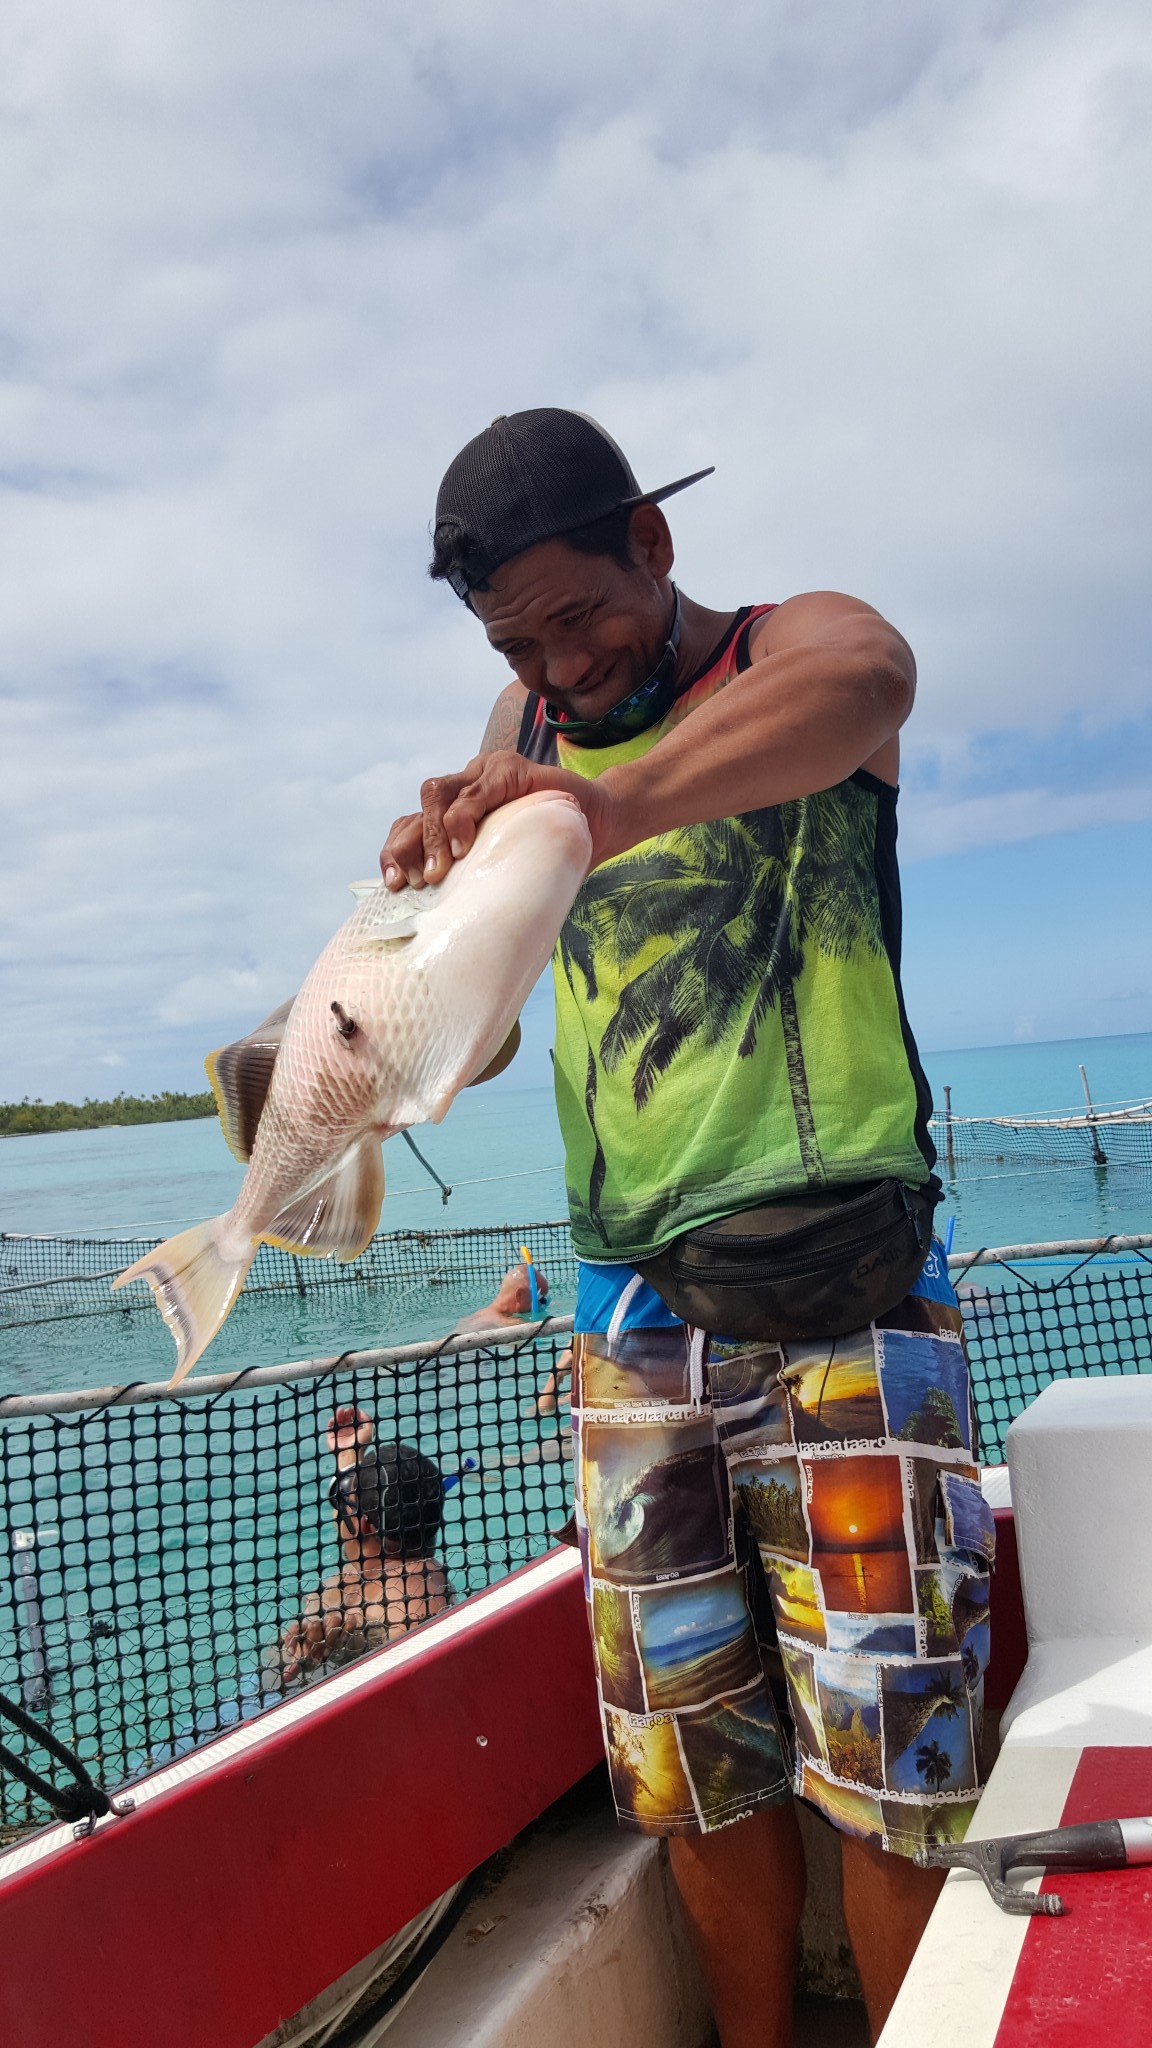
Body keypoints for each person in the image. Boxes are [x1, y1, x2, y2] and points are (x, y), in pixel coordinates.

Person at [379, 409, 993, 2046]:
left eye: (580, 614)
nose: (561, 671)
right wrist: (425, 934)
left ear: (654, 542)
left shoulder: (798, 652)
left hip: (854, 1301)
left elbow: (871, 685)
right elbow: (485, 1022)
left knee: (892, 1769)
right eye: (521, 644)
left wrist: (591, 808)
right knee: (690, 1767)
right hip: (632, 1319)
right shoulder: (522, 720)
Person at [274, 1406, 450, 1687]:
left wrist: (355, 1638)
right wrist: (349, 1452)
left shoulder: (416, 1588)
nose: (340, 1505)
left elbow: (426, 1675)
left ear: (364, 1523)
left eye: (346, 1501)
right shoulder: (368, 1566)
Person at [450, 1261, 549, 1334]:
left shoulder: (480, 1314)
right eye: (540, 1300)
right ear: (519, 1295)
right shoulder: (510, 1323)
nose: (541, 1306)